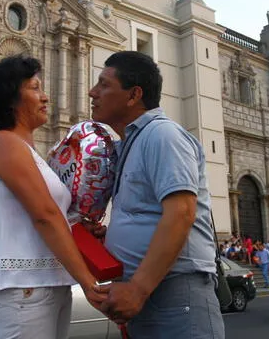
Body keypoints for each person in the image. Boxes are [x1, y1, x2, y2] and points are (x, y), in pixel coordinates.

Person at [0, 55, 107, 339]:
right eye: (34, 88)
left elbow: (52, 216)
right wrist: (89, 283)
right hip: (22, 290)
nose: (45, 97)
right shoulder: (3, 142)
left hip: (49, 285)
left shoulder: (28, 152)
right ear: (8, 98)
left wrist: (80, 232)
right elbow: (45, 216)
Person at [90, 51, 224, 338]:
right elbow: (148, 214)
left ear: (133, 95)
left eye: (103, 85)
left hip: (173, 292)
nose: (93, 92)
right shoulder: (133, 142)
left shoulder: (162, 136)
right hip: (150, 293)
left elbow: (182, 213)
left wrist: (138, 289)